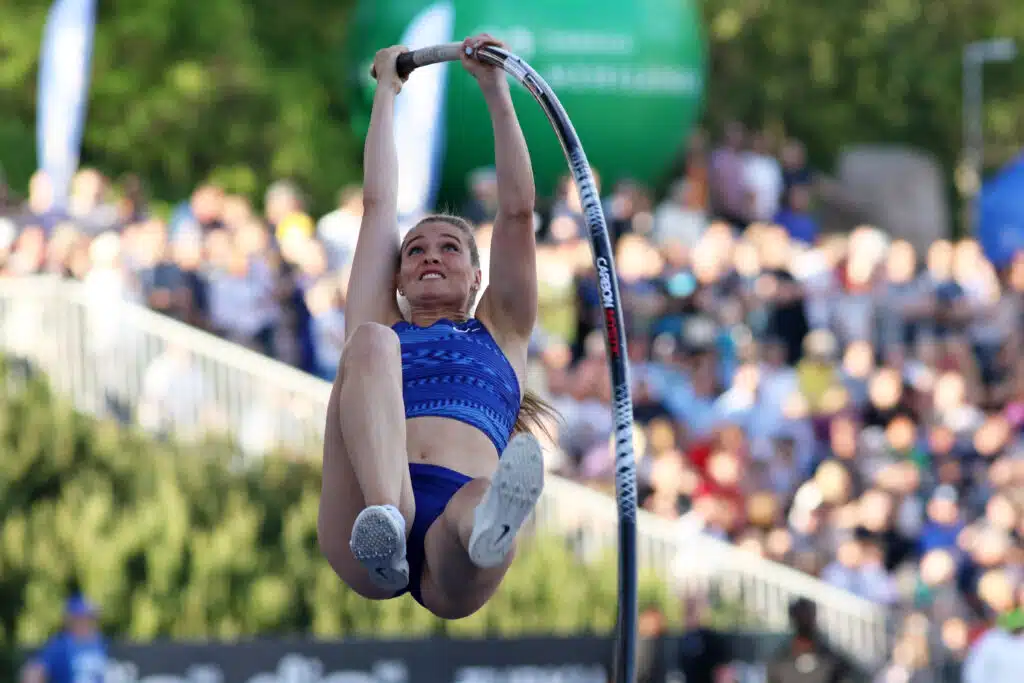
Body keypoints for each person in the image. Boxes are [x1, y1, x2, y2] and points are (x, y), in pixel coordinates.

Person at [317, 34, 556, 620]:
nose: (430, 255)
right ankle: (387, 525)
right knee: (368, 343)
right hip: (369, 506)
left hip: (456, 514)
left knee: (479, 504)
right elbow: (378, 205)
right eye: (416, 249)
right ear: (396, 279)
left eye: (450, 248)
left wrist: (494, 88)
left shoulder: (502, 332)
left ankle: (488, 533)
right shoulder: (383, 321)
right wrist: (386, 94)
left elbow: (517, 212)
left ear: (477, 278)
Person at [20, 595, 107, 683]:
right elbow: (34, 672)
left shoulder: (102, 644)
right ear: (70, 621)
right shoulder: (61, 647)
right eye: (81, 619)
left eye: (90, 619)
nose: (86, 624)